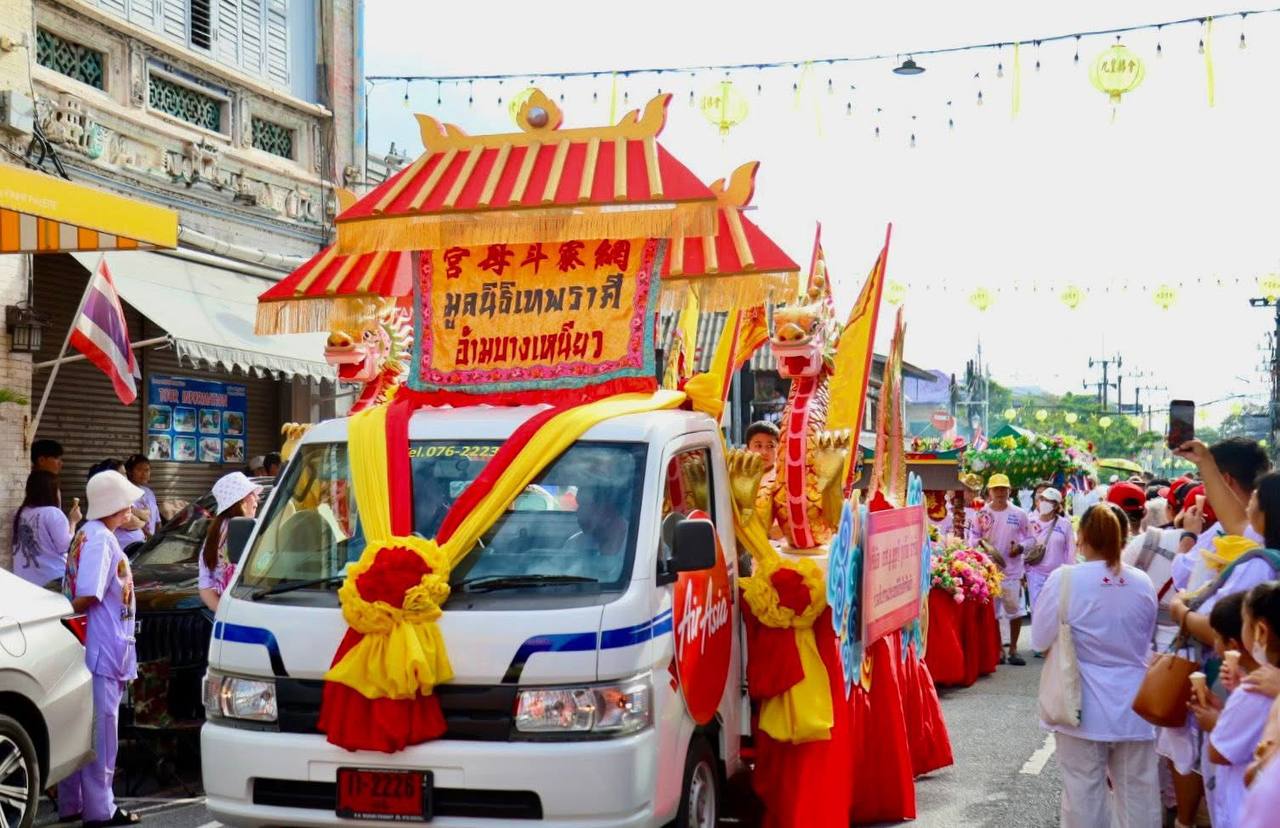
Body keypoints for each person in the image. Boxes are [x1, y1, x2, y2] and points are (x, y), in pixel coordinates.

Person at [1030, 504, 1159, 828]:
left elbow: (1039, 639)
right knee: (1139, 796)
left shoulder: (1065, 579)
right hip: (1135, 704)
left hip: (1079, 705)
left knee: (1083, 796)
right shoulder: (1142, 582)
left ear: (1082, 536)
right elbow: (1145, 640)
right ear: (1124, 536)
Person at [57, 469, 143, 827]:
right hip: (103, 649)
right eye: (125, 503)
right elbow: (89, 592)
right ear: (115, 504)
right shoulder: (102, 540)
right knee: (102, 733)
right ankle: (100, 810)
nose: (130, 510)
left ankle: (72, 804)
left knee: (80, 728)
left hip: (95, 646)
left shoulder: (87, 534)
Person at [1191, 587, 1274, 828]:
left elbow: (1219, 752)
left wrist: (1212, 721)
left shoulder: (1253, 691)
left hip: (1246, 805)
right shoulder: (1259, 685)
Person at [968, 473, 1034, 665]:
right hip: (989, 571)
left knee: (1015, 611)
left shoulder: (1019, 514)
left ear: (1009, 490)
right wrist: (981, 544)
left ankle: (1013, 649)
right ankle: (998, 650)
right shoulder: (981, 514)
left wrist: (1020, 547)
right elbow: (972, 538)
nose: (1000, 493)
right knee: (993, 613)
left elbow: (1031, 539)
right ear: (989, 491)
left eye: (1003, 489)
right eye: (996, 489)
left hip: (1012, 571)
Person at [199, 472, 263, 611]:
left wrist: (224, 615)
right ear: (241, 502)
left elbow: (205, 585)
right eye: (252, 493)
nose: (257, 499)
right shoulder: (248, 529)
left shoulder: (214, 534)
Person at [11, 470, 75, 587]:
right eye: (58, 489)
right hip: (51, 581)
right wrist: (73, 522)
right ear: (52, 491)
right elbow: (66, 546)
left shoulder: (19, 513)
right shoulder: (53, 513)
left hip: (23, 582)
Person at [563, 484, 631, 582]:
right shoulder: (574, 543)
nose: (578, 513)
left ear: (607, 508)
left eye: (584, 505)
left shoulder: (639, 545)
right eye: (579, 505)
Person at [1026, 486, 1073, 612]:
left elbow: (1070, 551)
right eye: (1043, 499)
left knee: (1055, 613)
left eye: (1050, 501)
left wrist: (1068, 575)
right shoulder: (1030, 521)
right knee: (1037, 612)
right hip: (1035, 575)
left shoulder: (1065, 524)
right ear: (1038, 501)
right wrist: (1024, 571)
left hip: (1057, 576)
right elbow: (1024, 547)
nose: (1045, 503)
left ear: (1056, 505)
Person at [114, 455, 159, 549]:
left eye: (147, 470)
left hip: (148, 546)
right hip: (129, 547)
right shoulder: (124, 493)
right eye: (139, 470)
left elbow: (157, 521)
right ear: (129, 472)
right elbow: (132, 522)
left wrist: (159, 539)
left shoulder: (149, 493)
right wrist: (151, 539)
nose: (144, 474)